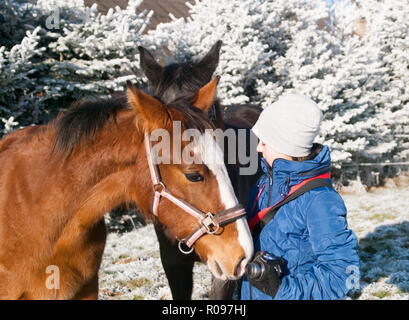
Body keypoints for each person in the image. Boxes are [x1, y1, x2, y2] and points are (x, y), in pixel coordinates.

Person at [241, 94, 360, 300]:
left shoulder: (320, 200)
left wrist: (281, 289)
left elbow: (343, 276)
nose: (259, 147)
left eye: (265, 142)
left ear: (284, 146)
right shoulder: (261, 185)